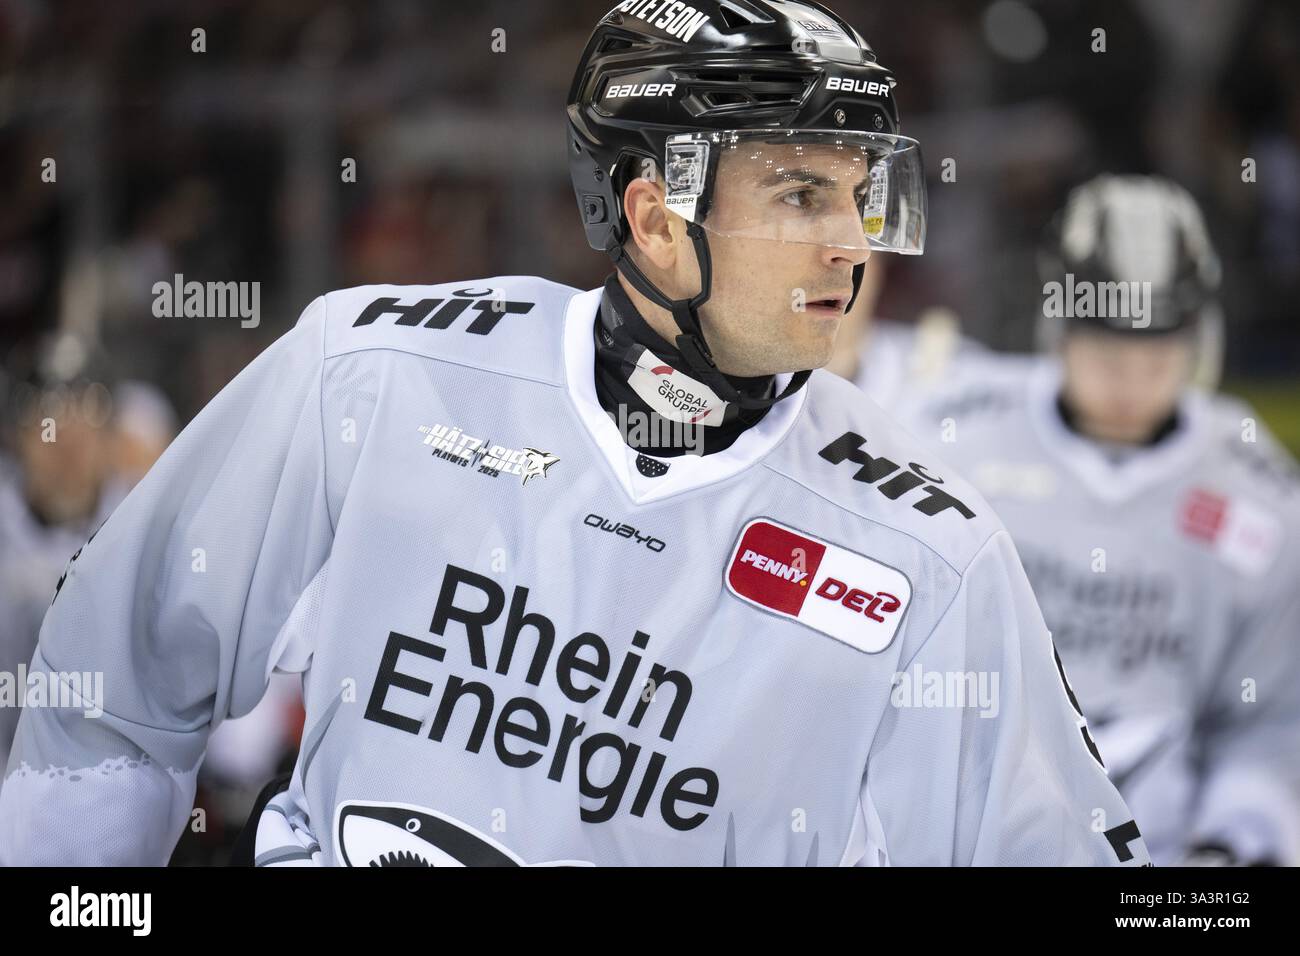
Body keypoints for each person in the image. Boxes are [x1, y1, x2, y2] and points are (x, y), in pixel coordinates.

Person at [0, 0, 1147, 867]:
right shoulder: (373, 375)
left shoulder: (931, 554)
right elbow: (112, 688)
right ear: (654, 215)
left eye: (862, 195)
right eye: (802, 194)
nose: (853, 242)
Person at [907, 174, 1300, 865]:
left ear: (1199, 338)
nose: (1131, 380)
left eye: (1157, 352)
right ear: (1058, 328)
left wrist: (1233, 841)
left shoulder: (1259, 496)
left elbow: (1270, 720)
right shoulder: (950, 437)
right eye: (1108, 350)